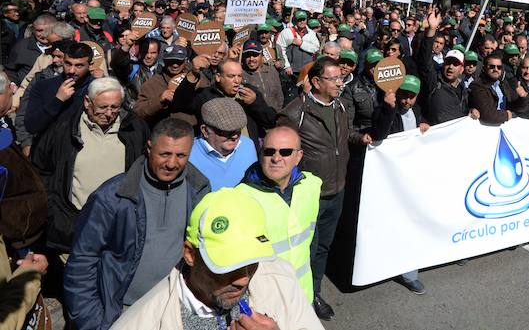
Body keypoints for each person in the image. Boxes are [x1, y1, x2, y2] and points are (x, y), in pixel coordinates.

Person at [64, 118, 210, 330]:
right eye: (165, 154)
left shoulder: (199, 190)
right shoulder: (113, 196)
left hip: (173, 309)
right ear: (149, 148)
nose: (171, 163)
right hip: (121, 312)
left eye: (181, 156)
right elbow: (82, 262)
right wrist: (93, 322)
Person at [109, 188, 324, 330]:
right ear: (190, 254)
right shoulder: (142, 322)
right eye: (227, 264)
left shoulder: (280, 278)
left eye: (251, 262)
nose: (243, 279)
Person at [30, 78, 147, 253]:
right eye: (102, 107)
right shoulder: (63, 129)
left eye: (115, 107)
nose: (109, 113)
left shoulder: (135, 129)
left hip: (118, 229)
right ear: (87, 102)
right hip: (72, 228)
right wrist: (55, 214)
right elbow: (40, 171)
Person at [276, 58, 351, 321]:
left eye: (340, 77)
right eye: (333, 79)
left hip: (336, 190)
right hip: (307, 197)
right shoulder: (295, 112)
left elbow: (341, 141)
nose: (340, 83)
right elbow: (280, 155)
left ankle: (313, 293)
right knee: (303, 250)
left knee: (322, 249)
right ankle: (294, 297)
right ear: (316, 82)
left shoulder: (341, 106)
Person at [237, 125, 322, 302]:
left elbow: (311, 241)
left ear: (298, 157)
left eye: (285, 152)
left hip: (303, 295)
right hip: (265, 301)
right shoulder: (241, 197)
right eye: (269, 151)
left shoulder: (311, 186)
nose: (276, 158)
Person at [369, 75, 429, 294]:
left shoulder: (417, 110)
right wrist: (388, 108)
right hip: (390, 181)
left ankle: (409, 274)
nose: (407, 101)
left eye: (411, 97)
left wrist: (424, 124)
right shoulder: (385, 110)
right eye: (404, 96)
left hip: (412, 179)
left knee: (411, 224)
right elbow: (380, 134)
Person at [24, 41, 94, 139]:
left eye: (79, 66)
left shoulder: (99, 90)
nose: (71, 71)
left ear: (90, 65)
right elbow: (31, 126)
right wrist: (57, 100)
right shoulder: (43, 86)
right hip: (48, 149)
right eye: (68, 64)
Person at [189, 98, 258, 190]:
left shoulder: (247, 145)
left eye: (238, 131)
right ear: (205, 131)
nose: (234, 137)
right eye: (226, 132)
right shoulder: (188, 153)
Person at [469, 53, 526, 124]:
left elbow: (516, 107)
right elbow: (487, 115)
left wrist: (523, 98)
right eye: (492, 67)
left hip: (501, 127)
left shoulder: (503, 84)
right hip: (486, 128)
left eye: (499, 67)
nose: (496, 69)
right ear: (484, 68)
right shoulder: (478, 86)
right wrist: (506, 115)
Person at [5, 13, 54, 84]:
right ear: (34, 31)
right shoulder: (22, 46)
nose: (43, 34)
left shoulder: (61, 47)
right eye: (39, 31)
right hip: (25, 91)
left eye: (48, 30)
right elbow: (10, 69)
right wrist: (13, 84)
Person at [240, 39, 284, 110]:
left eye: (255, 55)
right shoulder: (240, 74)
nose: (251, 58)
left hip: (274, 116)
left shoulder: (272, 71)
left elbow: (279, 96)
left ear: (262, 56)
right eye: (248, 55)